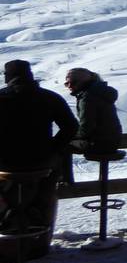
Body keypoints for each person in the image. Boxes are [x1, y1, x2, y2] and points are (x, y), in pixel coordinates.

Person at [0, 60, 78, 231]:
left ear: (8, 77)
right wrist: (52, 148)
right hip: (42, 161)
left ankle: (6, 215)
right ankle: (39, 215)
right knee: (51, 172)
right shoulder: (50, 97)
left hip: (5, 164)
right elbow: (71, 127)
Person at [64, 68, 122, 155]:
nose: (69, 86)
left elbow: (87, 125)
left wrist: (74, 136)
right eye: (66, 83)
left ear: (82, 82)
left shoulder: (87, 97)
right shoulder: (100, 92)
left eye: (73, 83)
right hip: (113, 141)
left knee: (61, 145)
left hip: (97, 143)